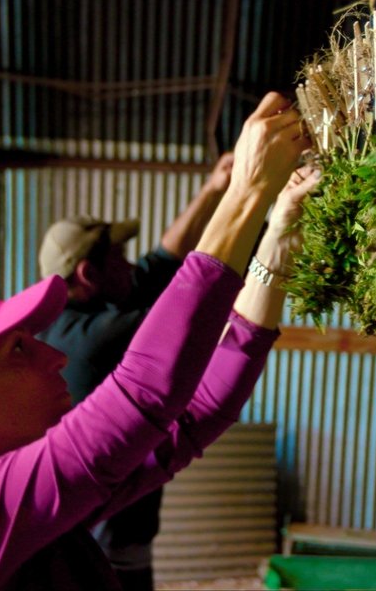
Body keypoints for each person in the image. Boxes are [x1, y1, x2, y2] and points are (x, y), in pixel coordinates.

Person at [0, 93, 317, 590]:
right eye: (18, 350)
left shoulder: (27, 514)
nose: (57, 355)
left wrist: (277, 240)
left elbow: (195, 416)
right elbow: (146, 392)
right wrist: (244, 191)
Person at [34, 154, 235, 591]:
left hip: (101, 530)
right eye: (120, 258)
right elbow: (191, 304)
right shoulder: (94, 339)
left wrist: (215, 188)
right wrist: (249, 206)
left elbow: (160, 262)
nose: (131, 265)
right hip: (106, 543)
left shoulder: (68, 318)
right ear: (89, 274)